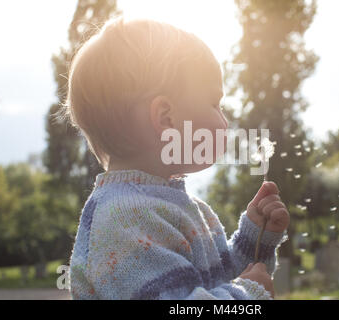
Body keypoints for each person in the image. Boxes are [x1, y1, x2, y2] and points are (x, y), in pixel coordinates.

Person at [64, 16, 289, 299]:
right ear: (166, 118)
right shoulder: (124, 219)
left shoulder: (184, 209)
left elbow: (216, 280)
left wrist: (255, 240)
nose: (225, 120)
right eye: (215, 104)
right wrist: (247, 295)